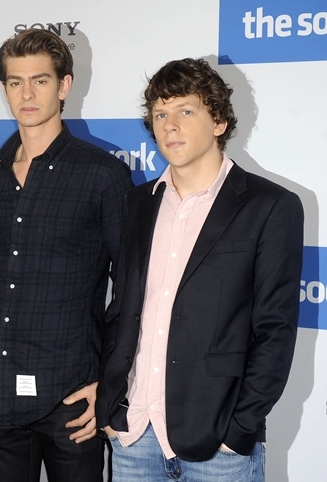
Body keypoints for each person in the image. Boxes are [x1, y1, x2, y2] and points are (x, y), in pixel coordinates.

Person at [96, 58, 304, 481]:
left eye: (185, 111)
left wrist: (239, 431)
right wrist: (110, 408)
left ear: (219, 121)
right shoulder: (137, 205)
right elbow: (122, 311)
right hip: (134, 433)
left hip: (218, 445)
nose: (169, 125)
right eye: (160, 113)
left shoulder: (270, 207)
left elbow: (275, 331)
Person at [0, 29, 133, 481]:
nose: (27, 93)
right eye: (16, 82)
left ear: (64, 86)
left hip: (73, 397)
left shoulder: (102, 175)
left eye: (40, 80)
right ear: (4, 90)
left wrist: (109, 386)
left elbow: (131, 290)